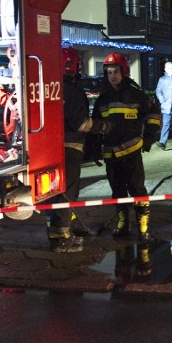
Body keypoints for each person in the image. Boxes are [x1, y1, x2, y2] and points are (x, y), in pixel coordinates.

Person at [46, 47, 112, 253]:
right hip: (70, 148)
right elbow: (80, 123)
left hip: (48, 148)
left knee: (54, 192)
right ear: (73, 65)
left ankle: (67, 225)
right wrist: (103, 126)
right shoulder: (72, 91)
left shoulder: (47, 86)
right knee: (67, 192)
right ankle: (61, 238)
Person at [92, 52, 161, 240]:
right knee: (117, 190)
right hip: (110, 154)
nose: (112, 75)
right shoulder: (102, 99)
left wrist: (148, 140)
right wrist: (94, 150)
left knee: (137, 188)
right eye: (108, 72)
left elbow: (154, 117)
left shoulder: (137, 95)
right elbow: (95, 125)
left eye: (115, 71)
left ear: (124, 72)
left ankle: (142, 222)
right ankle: (122, 221)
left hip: (131, 152)